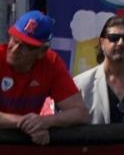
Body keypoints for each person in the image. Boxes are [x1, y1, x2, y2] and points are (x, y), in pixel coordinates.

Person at [1, 10, 88, 143]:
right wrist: (28, 124)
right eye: (14, 39)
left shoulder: (51, 63)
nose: (14, 49)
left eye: (25, 47)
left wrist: (45, 121)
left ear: (41, 52)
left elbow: (80, 113)